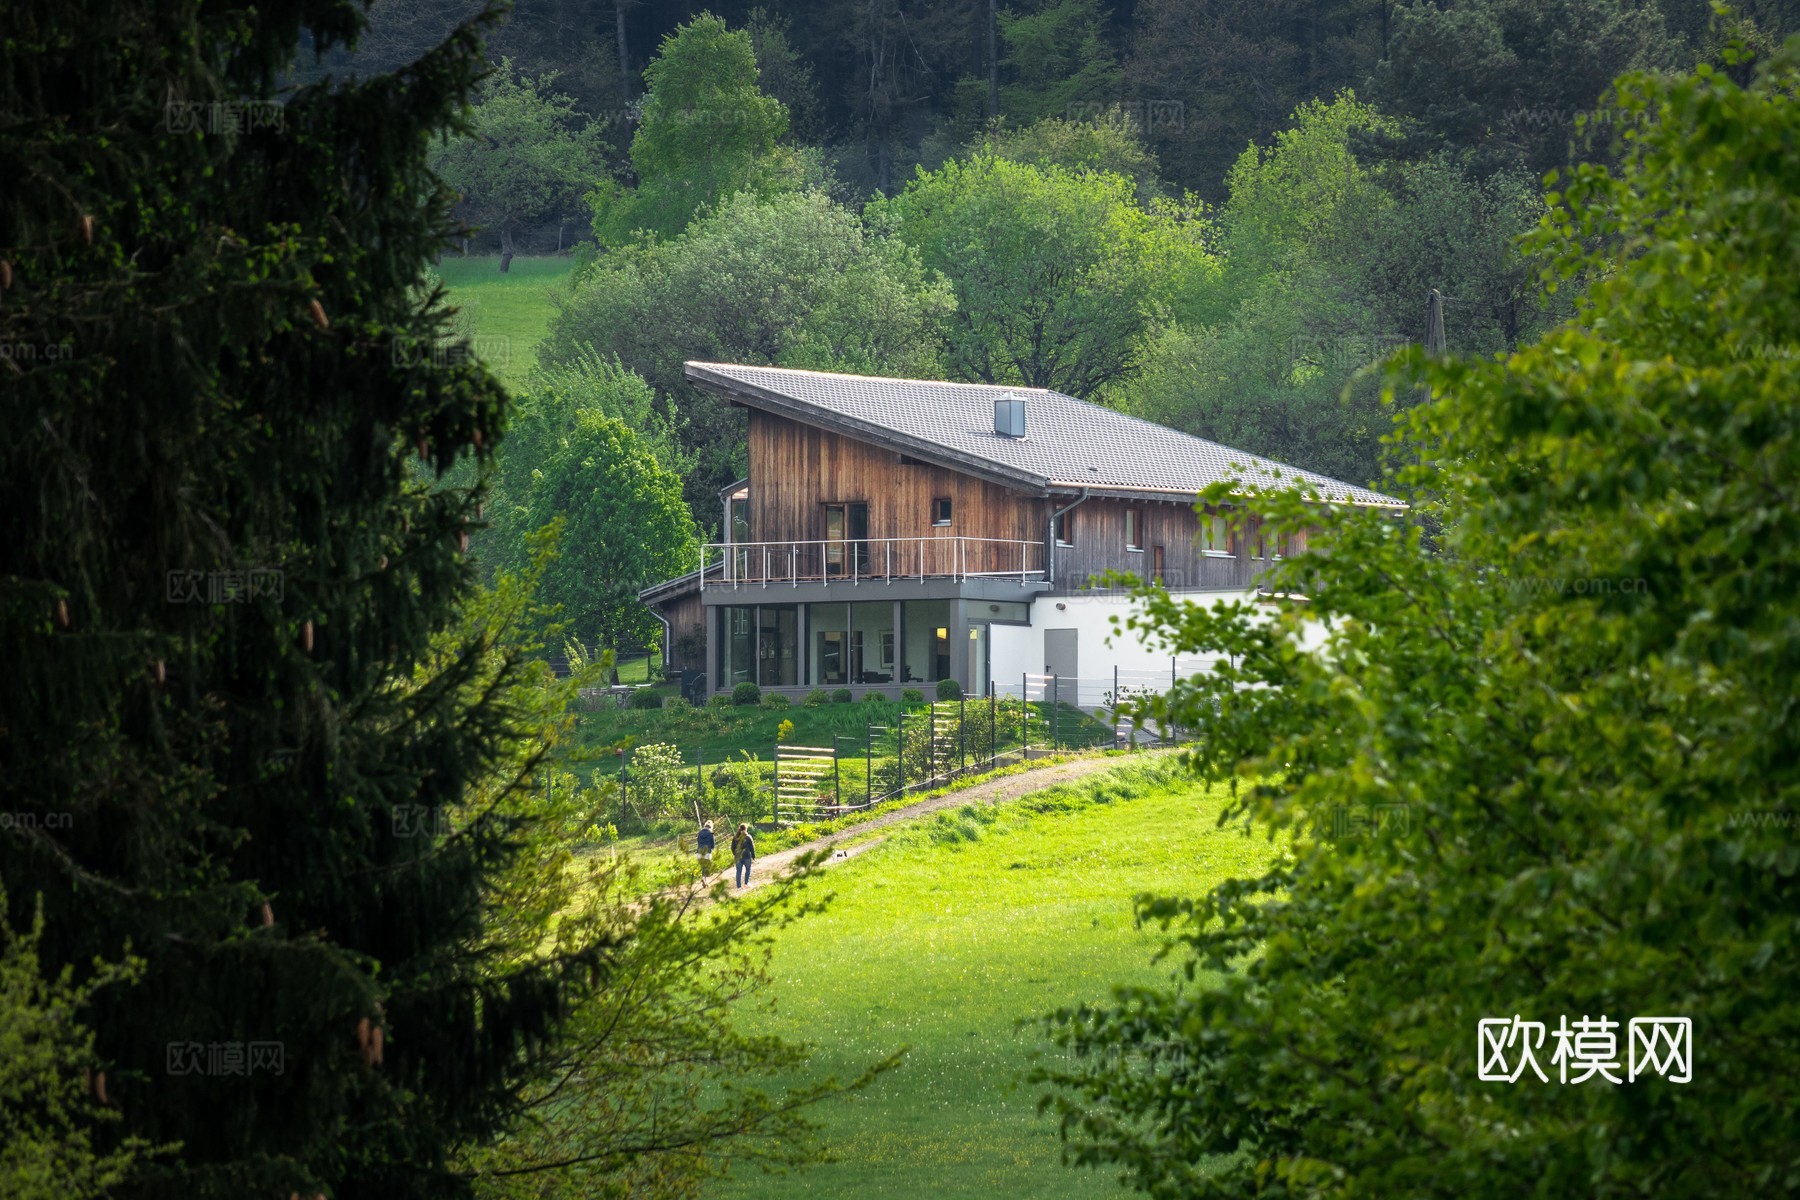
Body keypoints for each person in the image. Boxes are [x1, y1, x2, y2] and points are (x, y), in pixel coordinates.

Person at [733, 822, 755, 888]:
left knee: (738, 871)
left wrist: (735, 854)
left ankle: (738, 887)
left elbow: (732, 847)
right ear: (746, 829)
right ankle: (746, 883)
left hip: (738, 857)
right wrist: (753, 855)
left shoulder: (735, 837)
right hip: (747, 856)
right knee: (748, 869)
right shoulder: (748, 837)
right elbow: (751, 847)